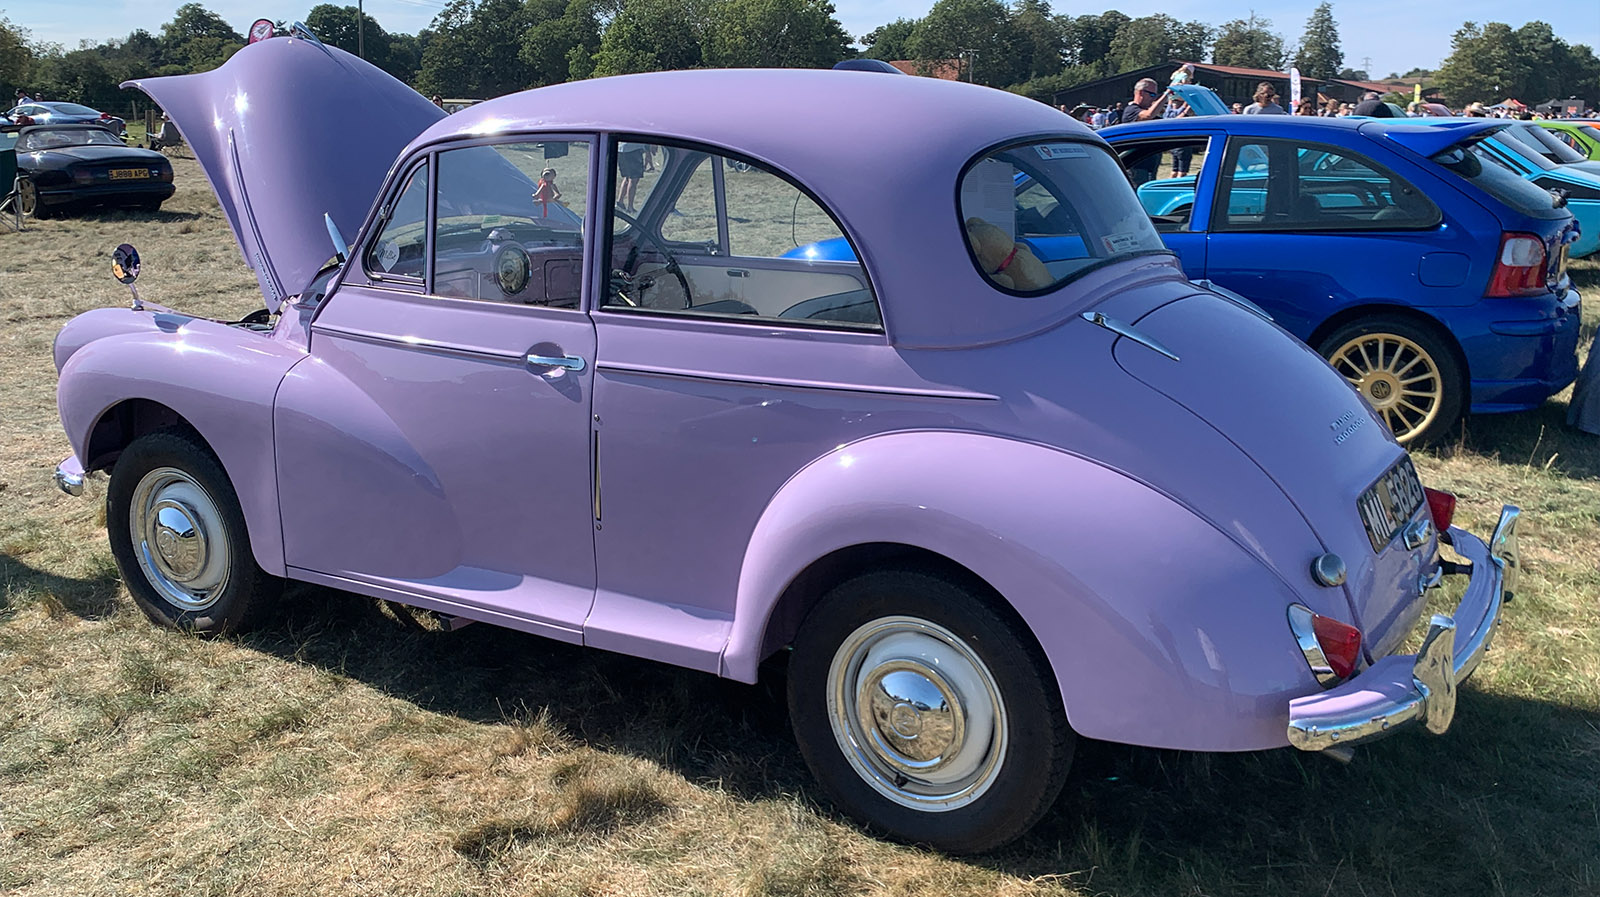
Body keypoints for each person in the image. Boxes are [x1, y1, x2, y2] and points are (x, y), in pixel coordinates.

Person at [616, 141, 646, 213]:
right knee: (633, 180)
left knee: (627, 177)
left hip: (621, 149)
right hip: (633, 150)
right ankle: (630, 207)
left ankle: (620, 202)